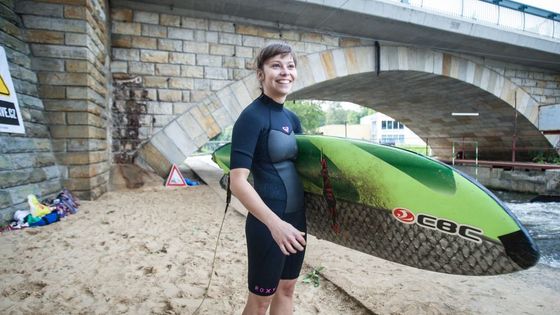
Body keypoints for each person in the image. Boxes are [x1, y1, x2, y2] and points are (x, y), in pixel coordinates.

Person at [229, 42, 306, 315]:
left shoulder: (293, 119)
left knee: (287, 290)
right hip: (268, 225)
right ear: (261, 74)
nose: (285, 72)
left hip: (296, 222)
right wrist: (275, 225)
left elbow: (307, 173)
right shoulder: (251, 117)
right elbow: (236, 181)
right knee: (261, 301)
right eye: (276, 65)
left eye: (290, 65)